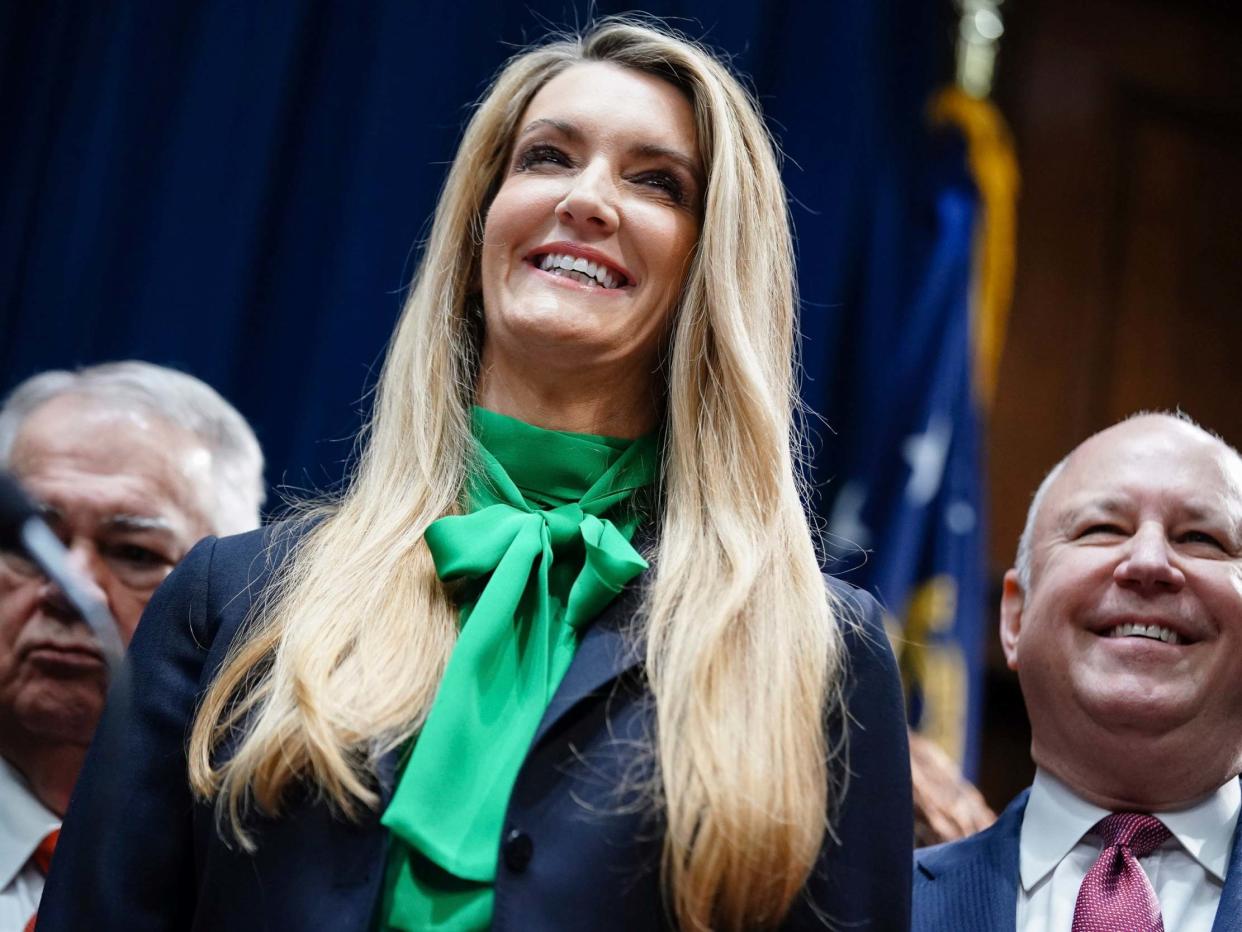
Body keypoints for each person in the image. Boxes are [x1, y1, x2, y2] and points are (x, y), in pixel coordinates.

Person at [39, 20, 911, 932]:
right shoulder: (232, 600)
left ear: (714, 261)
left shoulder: (815, 649)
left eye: (657, 181)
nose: (587, 199)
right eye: (546, 157)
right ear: (479, 220)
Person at [913, 412, 1242, 931]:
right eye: (1102, 529)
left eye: (1203, 538)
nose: (1150, 561)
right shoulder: (876, 909)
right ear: (1016, 617)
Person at [0, 361, 264, 930]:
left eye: (135, 553)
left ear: (227, 596)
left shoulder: (260, 872)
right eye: (33, 545)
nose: (71, 590)